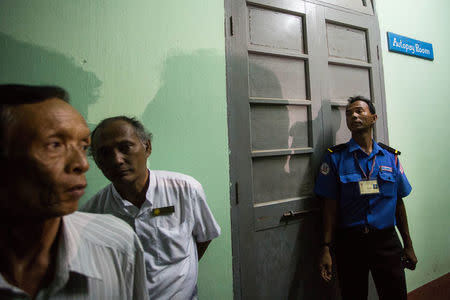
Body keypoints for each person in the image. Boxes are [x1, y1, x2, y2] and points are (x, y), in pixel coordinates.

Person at [0, 85, 149, 300]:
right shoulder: (99, 209)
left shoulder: (117, 244)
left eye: (82, 146)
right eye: (55, 145)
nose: (81, 164)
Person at [81, 116, 221, 299]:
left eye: (125, 147)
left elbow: (204, 236)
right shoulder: (93, 213)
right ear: (98, 163)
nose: (117, 160)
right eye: (105, 153)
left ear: (147, 147)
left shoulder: (185, 190)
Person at [315, 96, 417, 299]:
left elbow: (398, 203)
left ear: (374, 117)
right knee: (354, 295)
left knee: (395, 294)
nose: (353, 115)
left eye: (359, 111)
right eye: (349, 113)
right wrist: (325, 248)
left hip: (386, 240)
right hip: (351, 243)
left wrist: (408, 245)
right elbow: (330, 206)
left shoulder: (390, 158)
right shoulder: (335, 158)